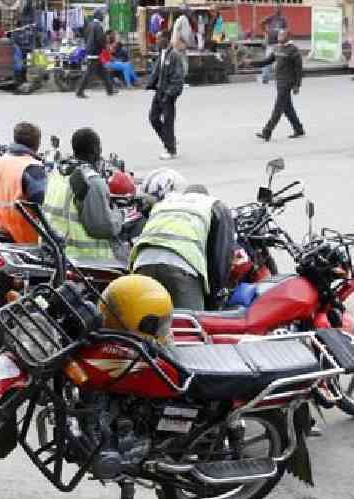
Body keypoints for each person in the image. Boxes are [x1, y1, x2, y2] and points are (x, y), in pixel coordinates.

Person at [130, 174, 235, 311]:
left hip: (142, 263)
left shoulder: (166, 203)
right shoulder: (213, 205)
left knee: (147, 323)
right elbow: (220, 259)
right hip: (180, 267)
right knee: (189, 325)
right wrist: (213, 297)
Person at [42, 128, 124, 261]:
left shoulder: (57, 174)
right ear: (94, 151)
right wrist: (119, 215)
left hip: (55, 250)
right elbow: (102, 228)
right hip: (84, 259)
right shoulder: (92, 181)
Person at [0, 122, 47, 243]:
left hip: (4, 232)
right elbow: (43, 205)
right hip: (28, 239)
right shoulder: (32, 167)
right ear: (37, 143)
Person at [252, 30, 305, 142]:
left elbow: (299, 69)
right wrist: (251, 63)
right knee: (287, 109)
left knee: (278, 109)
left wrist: (297, 85)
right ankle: (299, 129)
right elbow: (266, 61)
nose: (279, 36)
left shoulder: (293, 50)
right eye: (279, 35)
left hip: (287, 83)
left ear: (288, 36)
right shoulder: (277, 48)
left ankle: (267, 131)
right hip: (279, 82)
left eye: (282, 35)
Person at [146, 31, 185, 160]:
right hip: (159, 91)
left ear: (166, 39)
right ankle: (170, 140)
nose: (156, 41)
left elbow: (178, 78)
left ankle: (171, 149)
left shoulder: (174, 56)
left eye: (158, 39)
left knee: (168, 121)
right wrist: (150, 84)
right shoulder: (161, 54)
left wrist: (169, 94)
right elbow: (157, 72)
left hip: (168, 93)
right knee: (153, 118)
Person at [76, 8, 115, 99]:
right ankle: (79, 91)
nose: (102, 16)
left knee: (103, 73)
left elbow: (86, 38)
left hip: (91, 52)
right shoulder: (98, 26)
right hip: (94, 53)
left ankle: (110, 90)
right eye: (101, 15)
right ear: (98, 16)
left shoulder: (89, 25)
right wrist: (106, 47)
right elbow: (100, 40)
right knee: (88, 74)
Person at [260, 7, 287, 84]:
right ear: (274, 10)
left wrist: (283, 38)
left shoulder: (283, 19)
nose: (277, 10)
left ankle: (278, 78)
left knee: (279, 62)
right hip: (270, 43)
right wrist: (265, 31)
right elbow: (261, 23)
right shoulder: (270, 18)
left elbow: (286, 30)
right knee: (267, 61)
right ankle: (265, 78)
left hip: (279, 44)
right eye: (276, 9)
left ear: (281, 10)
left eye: (279, 9)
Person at [171, 5, 194, 76]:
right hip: (180, 45)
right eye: (189, 12)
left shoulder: (179, 19)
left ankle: (179, 80)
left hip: (177, 45)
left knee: (178, 64)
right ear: (186, 12)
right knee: (183, 64)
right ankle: (181, 81)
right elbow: (183, 35)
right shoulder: (184, 20)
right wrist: (188, 43)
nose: (190, 13)